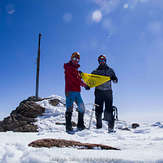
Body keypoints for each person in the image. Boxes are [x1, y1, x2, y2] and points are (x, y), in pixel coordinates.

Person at [64, 52, 90, 134]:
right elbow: (75, 79)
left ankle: (80, 125)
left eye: (77, 59)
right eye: (74, 58)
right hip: (70, 91)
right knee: (69, 108)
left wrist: (80, 75)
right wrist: (84, 85)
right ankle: (68, 127)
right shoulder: (68, 67)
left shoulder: (76, 70)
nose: (76, 60)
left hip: (77, 92)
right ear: (71, 58)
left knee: (81, 107)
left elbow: (77, 78)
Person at [91, 55, 118, 132]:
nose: (102, 62)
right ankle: (99, 128)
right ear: (98, 61)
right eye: (100, 60)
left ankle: (110, 128)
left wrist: (114, 79)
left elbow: (115, 80)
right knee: (98, 110)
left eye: (103, 60)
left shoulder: (110, 70)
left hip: (108, 92)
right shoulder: (95, 71)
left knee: (108, 110)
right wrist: (88, 85)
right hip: (98, 92)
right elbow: (90, 80)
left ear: (105, 61)